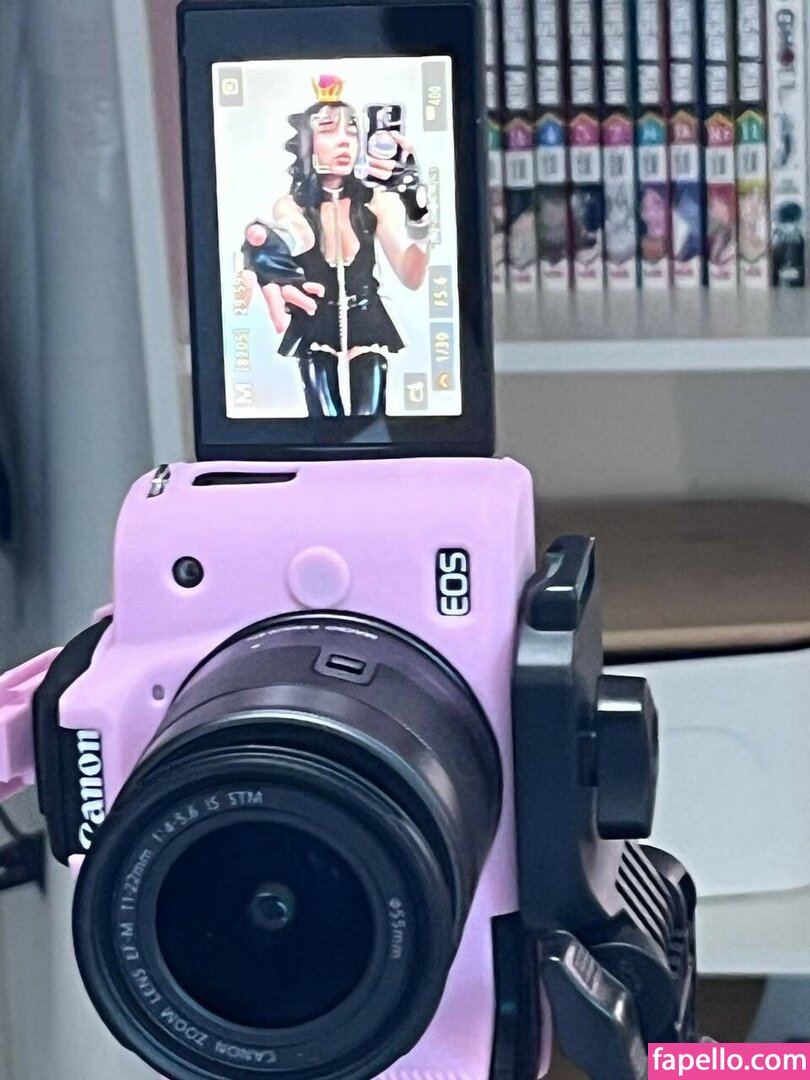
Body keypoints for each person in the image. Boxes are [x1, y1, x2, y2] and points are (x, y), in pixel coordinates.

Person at [242, 74, 431, 418]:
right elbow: (296, 235)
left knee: (369, 412)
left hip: (366, 314)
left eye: (352, 130)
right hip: (317, 318)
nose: (344, 140)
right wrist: (266, 247)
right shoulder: (292, 206)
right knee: (324, 412)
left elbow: (412, 275)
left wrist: (418, 213)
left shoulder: (376, 203)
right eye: (328, 129)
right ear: (307, 143)